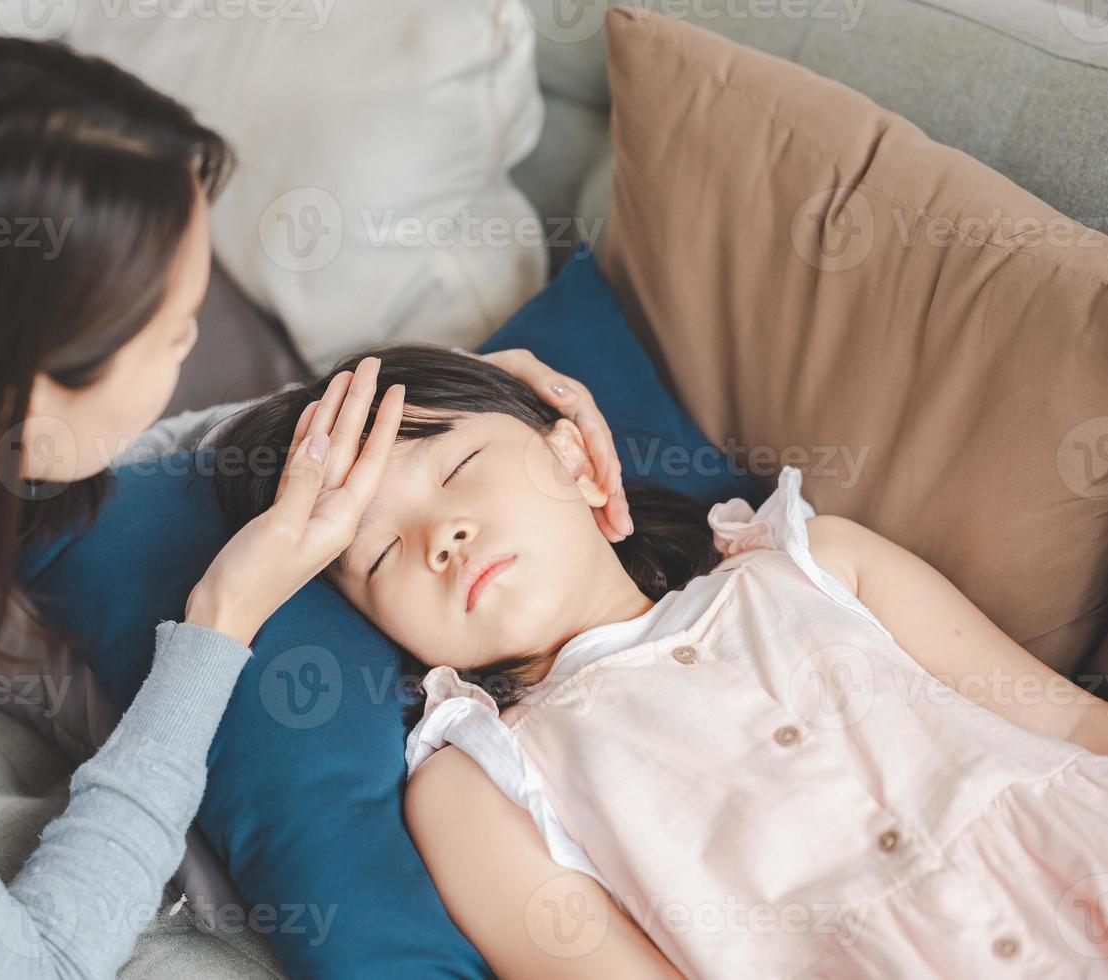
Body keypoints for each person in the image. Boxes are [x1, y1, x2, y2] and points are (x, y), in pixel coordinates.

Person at [0, 38, 627, 979]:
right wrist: (219, 622)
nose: (191, 354)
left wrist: (433, 402)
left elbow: (134, 456)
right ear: (19, 389)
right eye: (173, 335)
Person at [213, 343, 1108, 978]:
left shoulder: (815, 561)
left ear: (575, 458)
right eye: (376, 554)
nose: (438, 535)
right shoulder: (477, 787)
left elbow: (1065, 718)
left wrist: (448, 370)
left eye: (461, 467)